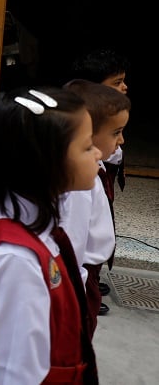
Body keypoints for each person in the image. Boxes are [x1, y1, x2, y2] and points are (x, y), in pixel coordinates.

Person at [0, 87, 99, 384]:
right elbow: (18, 374)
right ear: (43, 163)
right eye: (87, 147)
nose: (99, 153)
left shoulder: (33, 219)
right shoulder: (16, 259)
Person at [62, 79, 129, 325]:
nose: (121, 140)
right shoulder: (78, 183)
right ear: (86, 132)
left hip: (89, 270)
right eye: (115, 133)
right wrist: (73, 295)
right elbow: (71, 244)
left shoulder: (95, 165)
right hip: (79, 274)